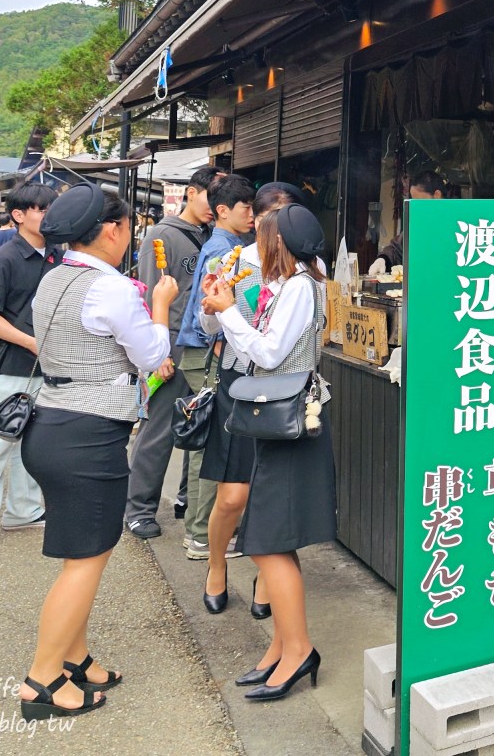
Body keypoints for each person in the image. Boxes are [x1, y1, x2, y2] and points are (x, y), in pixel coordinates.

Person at [17, 185, 178, 720]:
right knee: (86, 561)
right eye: (129, 227)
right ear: (112, 230)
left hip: (50, 427)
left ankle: (76, 658)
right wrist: (159, 305)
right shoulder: (111, 291)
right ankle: (41, 681)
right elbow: (153, 355)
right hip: (88, 436)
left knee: (80, 554)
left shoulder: (53, 280)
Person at [200, 202, 332, 701]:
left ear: (279, 243)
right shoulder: (287, 284)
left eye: (264, 235)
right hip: (272, 419)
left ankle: (297, 650)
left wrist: (230, 310)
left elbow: (269, 352)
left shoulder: (299, 286)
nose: (256, 242)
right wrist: (226, 304)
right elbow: (251, 336)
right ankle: (282, 646)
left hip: (289, 421)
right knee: (271, 538)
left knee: (266, 541)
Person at [196, 182, 307, 620]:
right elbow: (207, 328)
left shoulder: (304, 271)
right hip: (239, 385)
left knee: (273, 494)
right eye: (271, 221)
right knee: (233, 496)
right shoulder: (233, 261)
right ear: (256, 222)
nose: (279, 232)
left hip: (286, 390)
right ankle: (216, 563)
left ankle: (266, 575)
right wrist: (214, 306)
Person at [124, 165, 219, 541]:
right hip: (172, 344)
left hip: (204, 345)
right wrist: (155, 350)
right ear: (192, 192)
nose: (216, 207)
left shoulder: (212, 235)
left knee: (198, 426)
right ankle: (139, 508)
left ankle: (185, 498)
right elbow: (148, 294)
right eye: (211, 197)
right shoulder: (162, 234)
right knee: (159, 429)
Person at [0, 183, 58, 554]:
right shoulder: (3, 259)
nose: (48, 216)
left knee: (32, 445)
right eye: (42, 210)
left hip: (48, 368)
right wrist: (30, 341)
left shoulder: (58, 256)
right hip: (11, 364)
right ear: (19, 215)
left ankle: (24, 510)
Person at [169, 173, 255, 565]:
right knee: (210, 445)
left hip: (202, 351)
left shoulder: (227, 243)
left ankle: (202, 529)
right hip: (206, 353)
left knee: (209, 442)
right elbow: (214, 313)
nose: (253, 215)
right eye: (246, 208)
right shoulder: (226, 250)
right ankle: (202, 534)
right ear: (222, 211)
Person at [375, 169, 446, 269]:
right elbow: (397, 249)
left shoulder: (459, 220)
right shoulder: (421, 222)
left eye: (420, 201)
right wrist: (383, 259)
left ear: (437, 195)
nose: (417, 207)